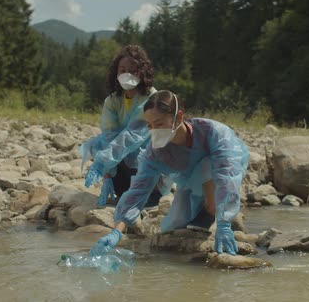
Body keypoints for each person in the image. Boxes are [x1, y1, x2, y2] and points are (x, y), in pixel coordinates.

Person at [90, 90, 249, 256]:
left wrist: (224, 223)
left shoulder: (214, 133)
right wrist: (117, 231)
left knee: (209, 175)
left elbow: (227, 176)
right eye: (149, 126)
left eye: (159, 124)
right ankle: (200, 213)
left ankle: (209, 212)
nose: (154, 131)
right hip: (190, 178)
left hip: (219, 169)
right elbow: (138, 191)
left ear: (178, 117)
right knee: (172, 226)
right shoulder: (156, 151)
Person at [79, 45, 167, 207]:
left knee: (143, 154)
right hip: (124, 164)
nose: (127, 74)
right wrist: (107, 174)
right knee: (97, 144)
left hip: (149, 164)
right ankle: (121, 189)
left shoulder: (153, 98)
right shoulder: (112, 101)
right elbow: (108, 136)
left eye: (133, 70)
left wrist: (102, 162)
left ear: (142, 72)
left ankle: (151, 194)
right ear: (116, 73)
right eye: (122, 69)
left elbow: (134, 134)